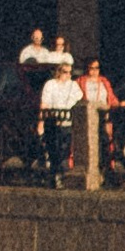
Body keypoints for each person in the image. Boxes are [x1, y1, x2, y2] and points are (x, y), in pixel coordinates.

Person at [37, 52, 83, 182]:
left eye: (70, 72)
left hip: (67, 121)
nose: (68, 75)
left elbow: (78, 99)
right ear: (59, 72)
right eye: (65, 72)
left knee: (65, 148)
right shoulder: (50, 84)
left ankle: (61, 173)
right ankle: (54, 173)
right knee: (53, 147)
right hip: (52, 120)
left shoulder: (73, 85)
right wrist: (41, 121)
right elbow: (45, 103)